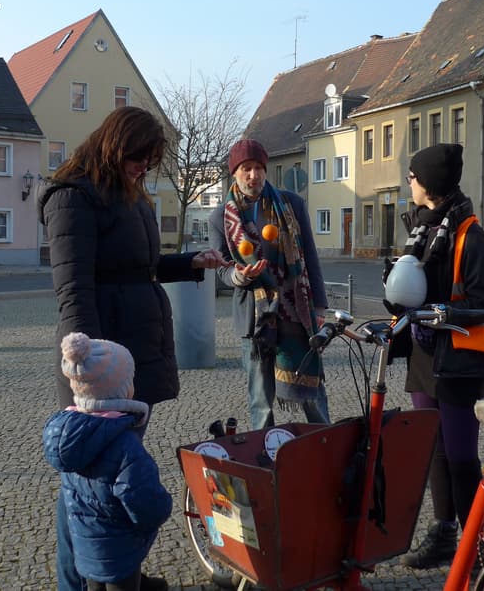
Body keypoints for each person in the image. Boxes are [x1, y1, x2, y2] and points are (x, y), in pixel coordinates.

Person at [37, 105, 228, 591]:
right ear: (113, 146)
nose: (144, 166)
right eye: (138, 157)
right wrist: (87, 372)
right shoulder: (72, 198)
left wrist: (190, 263)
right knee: (84, 481)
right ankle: (76, 582)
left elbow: (139, 267)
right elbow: (74, 289)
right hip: (98, 364)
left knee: (115, 472)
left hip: (132, 356)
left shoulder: (129, 194)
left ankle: (119, 571)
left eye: (151, 159)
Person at [386, 143, 484, 569]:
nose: (409, 182)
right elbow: (411, 294)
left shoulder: (472, 237)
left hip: (460, 361)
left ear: (430, 183)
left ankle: (477, 547)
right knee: (434, 450)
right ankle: (442, 534)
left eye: (413, 176)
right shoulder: (420, 230)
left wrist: (440, 315)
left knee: (459, 456)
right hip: (424, 355)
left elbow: (483, 304)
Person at [209, 138, 330, 430]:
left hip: (296, 311)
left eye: (259, 168)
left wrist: (320, 306)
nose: (254, 175)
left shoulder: (291, 204)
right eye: (246, 169)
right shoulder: (219, 218)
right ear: (234, 173)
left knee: (312, 391)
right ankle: (265, 457)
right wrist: (240, 276)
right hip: (254, 319)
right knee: (261, 398)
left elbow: (310, 257)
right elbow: (222, 268)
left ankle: (326, 443)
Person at [43, 332, 173, 591]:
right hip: (120, 555)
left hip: (86, 550)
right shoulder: (126, 446)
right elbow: (146, 503)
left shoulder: (71, 440)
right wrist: (163, 508)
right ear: (124, 389)